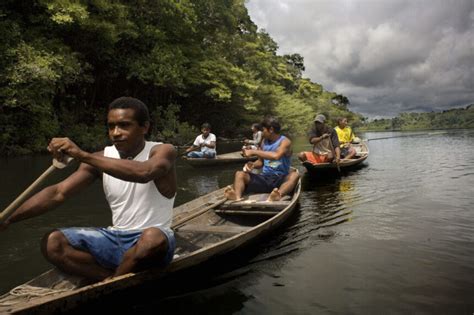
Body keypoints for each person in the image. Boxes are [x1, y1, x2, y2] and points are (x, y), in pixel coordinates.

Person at [0, 97, 177, 282]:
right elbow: (58, 193)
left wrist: (82, 155)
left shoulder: (162, 151)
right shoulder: (100, 159)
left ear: (144, 127)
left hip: (153, 242)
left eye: (124, 125)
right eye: (111, 126)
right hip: (115, 237)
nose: (116, 132)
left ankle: (111, 284)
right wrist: (10, 218)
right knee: (53, 243)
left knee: (151, 238)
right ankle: (110, 279)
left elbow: (145, 172)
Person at [224, 117, 300, 202]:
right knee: (239, 174)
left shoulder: (285, 141)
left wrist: (254, 151)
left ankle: (278, 194)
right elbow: (260, 162)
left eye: (263, 130)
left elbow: (276, 156)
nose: (262, 132)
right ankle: (237, 197)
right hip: (265, 178)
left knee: (294, 175)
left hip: (280, 179)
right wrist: (253, 165)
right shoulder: (264, 142)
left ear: (271, 129)